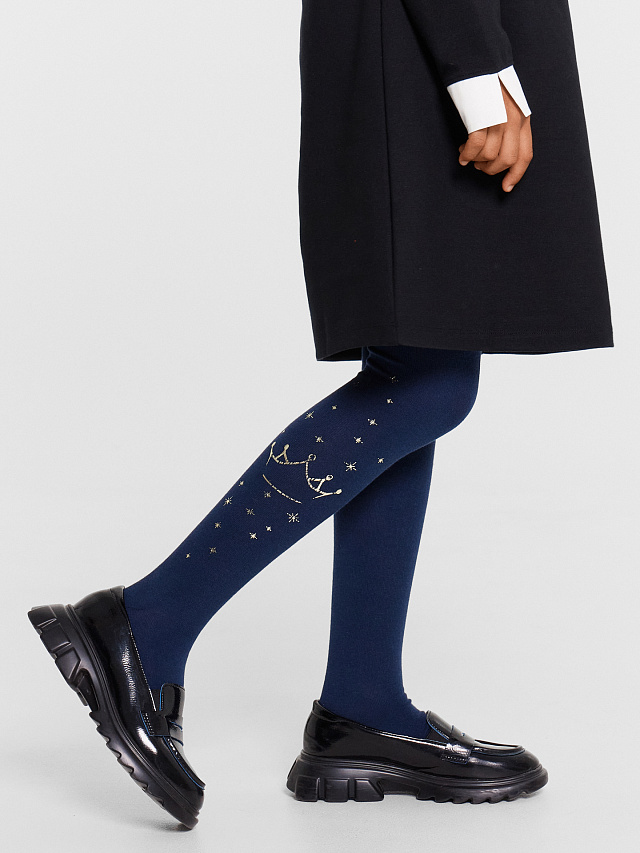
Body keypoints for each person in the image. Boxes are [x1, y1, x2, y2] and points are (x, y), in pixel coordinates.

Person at [28, 0, 613, 830]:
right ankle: (143, 623)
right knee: (428, 382)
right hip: (425, 45)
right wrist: (477, 67)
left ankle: (362, 705)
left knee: (424, 363)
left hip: (415, 42)